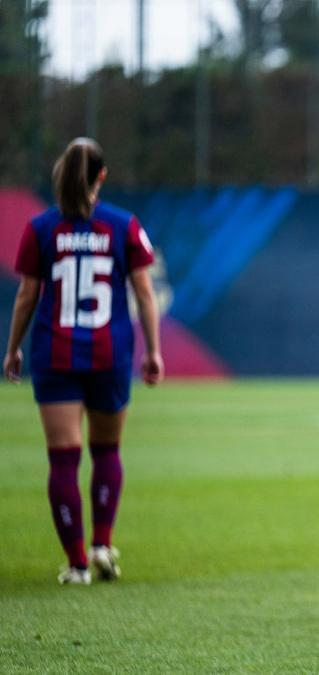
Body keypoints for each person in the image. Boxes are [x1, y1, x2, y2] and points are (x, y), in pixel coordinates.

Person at [4, 137, 163, 585]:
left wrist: (13, 347)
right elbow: (144, 293)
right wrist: (152, 351)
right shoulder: (122, 225)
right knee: (107, 450)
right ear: (102, 176)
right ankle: (101, 544)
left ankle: (76, 565)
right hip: (108, 353)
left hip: (55, 354)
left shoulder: (41, 228)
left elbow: (27, 295)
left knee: (63, 461)